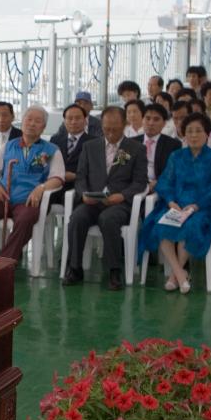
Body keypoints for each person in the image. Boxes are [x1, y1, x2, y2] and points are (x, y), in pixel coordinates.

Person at [137, 113, 211, 294]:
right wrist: (171, 201)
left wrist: (197, 205)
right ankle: (180, 273)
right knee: (160, 225)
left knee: (191, 226)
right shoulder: (176, 156)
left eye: (198, 131)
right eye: (189, 131)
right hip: (176, 205)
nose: (194, 135)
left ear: (207, 134)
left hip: (202, 207)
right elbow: (164, 182)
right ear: (183, 134)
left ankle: (174, 276)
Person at [0, 105, 64, 262]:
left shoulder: (51, 150)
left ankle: (5, 262)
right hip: (2, 197)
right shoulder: (8, 145)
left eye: (37, 121)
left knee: (25, 219)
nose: (32, 124)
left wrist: (41, 188)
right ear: (22, 122)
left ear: (43, 127)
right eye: (29, 119)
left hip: (29, 201)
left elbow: (57, 178)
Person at [62, 107, 148, 291]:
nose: (110, 133)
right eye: (106, 128)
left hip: (120, 203)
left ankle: (114, 270)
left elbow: (140, 182)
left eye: (115, 129)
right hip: (93, 200)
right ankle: (75, 267)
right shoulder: (90, 146)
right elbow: (81, 176)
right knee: (77, 218)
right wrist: (84, 194)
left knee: (108, 219)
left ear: (124, 125)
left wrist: (122, 196)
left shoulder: (136, 149)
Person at [136, 103, 181, 192]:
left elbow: (173, 171)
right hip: (135, 185)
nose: (151, 123)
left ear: (164, 123)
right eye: (147, 118)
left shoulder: (173, 145)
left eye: (156, 119)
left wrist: (159, 181)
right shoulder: (131, 142)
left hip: (158, 186)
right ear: (142, 120)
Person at [50, 103, 89, 185]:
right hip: (55, 184)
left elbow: (97, 172)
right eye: (70, 118)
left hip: (81, 186)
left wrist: (76, 176)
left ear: (85, 121)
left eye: (78, 118)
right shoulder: (55, 140)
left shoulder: (93, 142)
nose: (74, 122)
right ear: (64, 121)